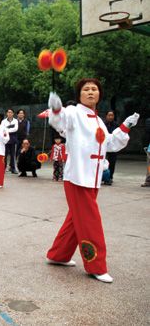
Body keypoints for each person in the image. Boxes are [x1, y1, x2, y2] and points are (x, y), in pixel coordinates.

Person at [45, 78, 139, 283]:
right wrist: (56, 108)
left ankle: (58, 255)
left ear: (99, 95)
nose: (90, 92)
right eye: (86, 89)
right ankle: (96, 264)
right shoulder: (74, 113)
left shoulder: (98, 121)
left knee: (75, 219)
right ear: (79, 95)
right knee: (90, 221)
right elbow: (60, 121)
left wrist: (125, 126)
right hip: (78, 177)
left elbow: (110, 144)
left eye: (94, 89)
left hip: (93, 176)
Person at [103, 110, 118, 185]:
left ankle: (110, 177)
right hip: (104, 145)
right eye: (109, 115)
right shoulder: (102, 124)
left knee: (112, 162)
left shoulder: (116, 125)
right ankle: (103, 176)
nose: (110, 117)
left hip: (113, 146)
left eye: (112, 115)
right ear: (106, 116)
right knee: (103, 161)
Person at [1, 109, 18, 174]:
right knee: (4, 154)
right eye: (8, 112)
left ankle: (13, 168)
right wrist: (9, 129)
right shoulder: (3, 121)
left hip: (13, 139)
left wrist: (7, 129)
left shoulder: (15, 120)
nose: (10, 113)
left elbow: (16, 129)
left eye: (11, 112)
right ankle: (3, 168)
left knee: (13, 154)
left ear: (13, 113)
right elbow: (2, 129)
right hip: (5, 139)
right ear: (6, 113)